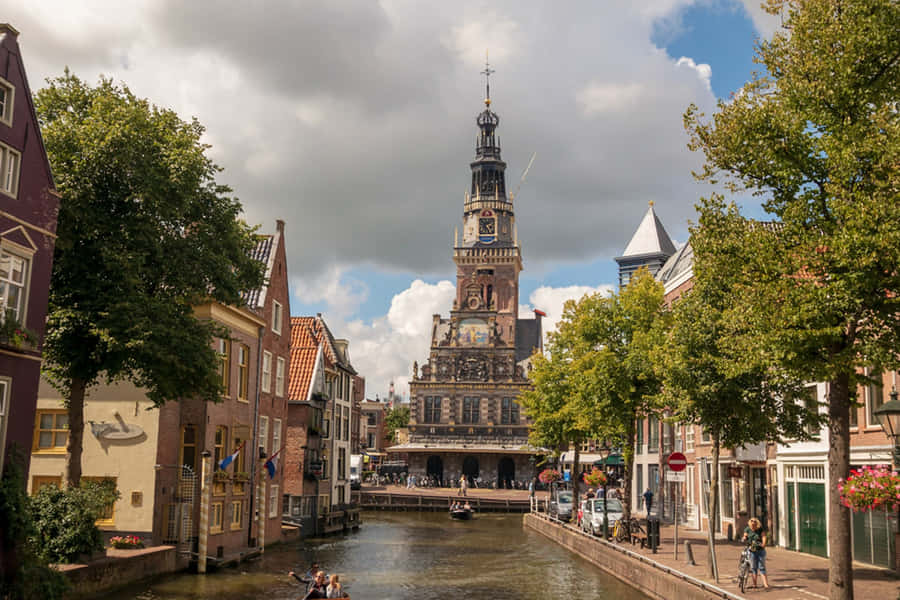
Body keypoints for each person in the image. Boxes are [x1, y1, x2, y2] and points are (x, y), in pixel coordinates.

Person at [741, 518, 770, 589]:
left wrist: (763, 544)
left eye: (754, 523)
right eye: (751, 522)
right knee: (754, 568)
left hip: (760, 550)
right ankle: (754, 584)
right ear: (750, 524)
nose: (753, 524)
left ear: (757, 524)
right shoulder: (747, 529)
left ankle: (766, 585)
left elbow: (763, 536)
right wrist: (744, 538)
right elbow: (745, 536)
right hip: (752, 550)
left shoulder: (760, 529)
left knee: (762, 567)